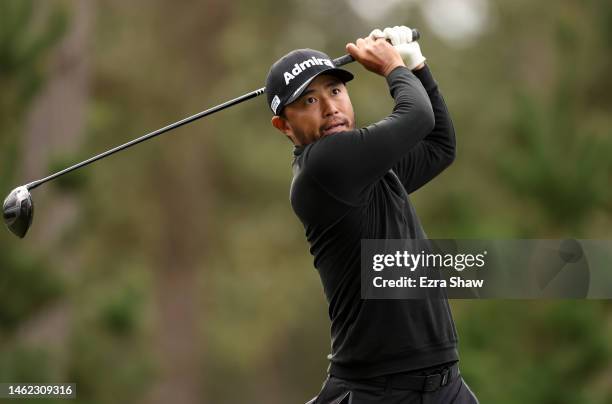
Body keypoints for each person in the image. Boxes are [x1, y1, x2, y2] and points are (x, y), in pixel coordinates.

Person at [266, 26, 478, 403]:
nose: (331, 108)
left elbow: (440, 146)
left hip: (446, 385)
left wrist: (417, 65)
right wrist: (395, 66)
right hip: (384, 391)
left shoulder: (367, 169)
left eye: (335, 91)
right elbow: (416, 118)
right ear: (284, 125)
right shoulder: (323, 166)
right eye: (310, 101)